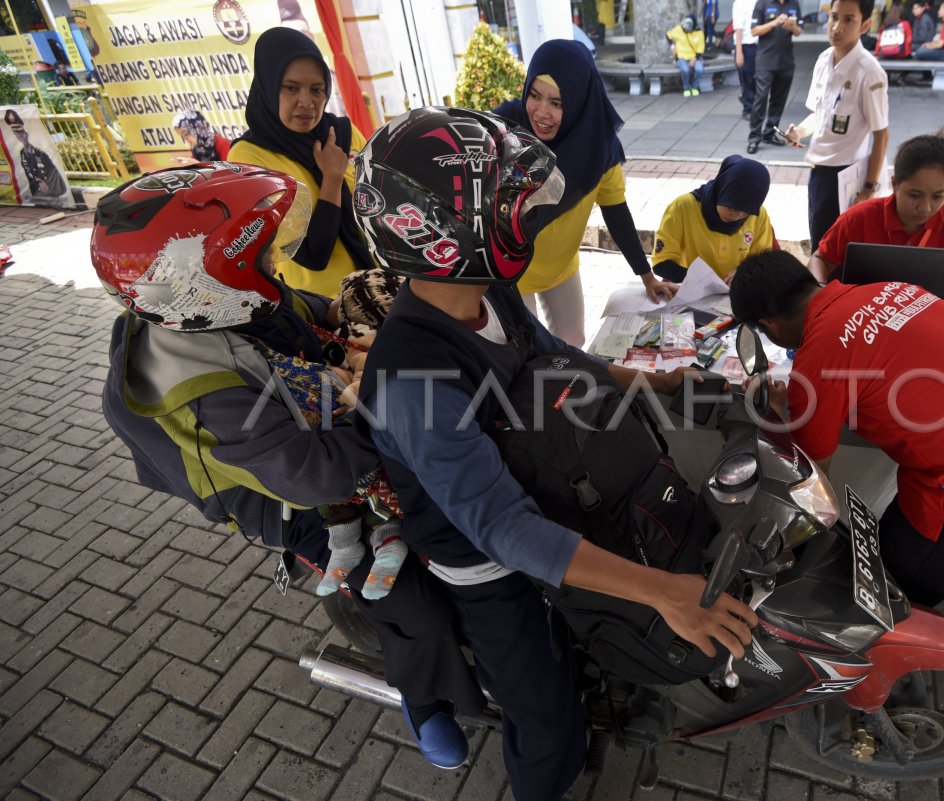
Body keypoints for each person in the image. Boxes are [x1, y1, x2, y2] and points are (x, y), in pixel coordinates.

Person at [352, 106, 757, 800]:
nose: (526, 221)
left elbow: (557, 359)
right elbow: (503, 529)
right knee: (547, 715)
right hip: (483, 559)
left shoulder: (488, 291)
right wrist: (664, 594)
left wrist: (662, 385)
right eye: (507, 210)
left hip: (546, 485)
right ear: (447, 234)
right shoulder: (413, 380)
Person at [93, 163, 483, 768]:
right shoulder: (200, 387)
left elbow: (311, 308)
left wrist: (369, 330)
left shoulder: (221, 301)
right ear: (204, 281)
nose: (275, 261)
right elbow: (318, 475)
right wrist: (390, 403)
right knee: (411, 600)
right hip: (281, 493)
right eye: (263, 254)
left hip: (317, 417)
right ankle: (425, 699)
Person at [729, 251, 944, 606]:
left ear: (769, 326)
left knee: (879, 601)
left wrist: (780, 415)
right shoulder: (895, 290)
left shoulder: (820, 358)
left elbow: (811, 484)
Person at [494, 39, 678, 347]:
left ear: (580, 101)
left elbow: (616, 212)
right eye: (535, 96)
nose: (542, 113)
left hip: (561, 268)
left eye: (558, 103)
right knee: (529, 356)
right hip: (509, 274)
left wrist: (647, 277)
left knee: (572, 344)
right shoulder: (501, 129)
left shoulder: (598, 146)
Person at [228, 26, 375, 299]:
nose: (307, 102)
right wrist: (332, 178)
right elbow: (312, 254)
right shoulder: (249, 157)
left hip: (382, 286)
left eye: (317, 89)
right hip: (328, 307)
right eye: (291, 88)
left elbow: (383, 207)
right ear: (269, 86)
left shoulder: (344, 133)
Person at [808, 132, 944, 283]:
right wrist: (820, 290)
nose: (925, 208)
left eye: (938, 196)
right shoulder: (860, 217)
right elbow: (820, 258)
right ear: (894, 184)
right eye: (914, 195)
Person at [786, 0, 889, 253]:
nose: (837, 27)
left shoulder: (869, 72)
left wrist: (869, 188)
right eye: (833, 17)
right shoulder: (823, 60)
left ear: (865, 25)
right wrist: (799, 131)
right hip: (819, 171)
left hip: (846, 176)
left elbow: (881, 135)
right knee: (819, 240)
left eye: (848, 20)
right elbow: (820, 115)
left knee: (839, 250)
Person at [652, 154, 778, 284]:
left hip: (735, 292)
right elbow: (662, 263)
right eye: (732, 209)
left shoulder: (758, 215)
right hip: (690, 290)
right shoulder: (683, 207)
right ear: (721, 190)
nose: (737, 217)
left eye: (746, 213)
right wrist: (702, 282)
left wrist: (743, 272)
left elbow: (762, 260)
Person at [747, 0, 803, 154]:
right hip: (765, 60)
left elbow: (799, 32)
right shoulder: (762, 3)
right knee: (761, 97)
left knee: (779, 100)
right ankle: (754, 138)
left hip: (786, 61)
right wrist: (774, 23)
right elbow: (754, 31)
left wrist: (792, 27)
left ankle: (769, 133)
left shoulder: (794, 4)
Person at [4, 109, 67, 201]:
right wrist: (38, 183)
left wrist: (47, 185)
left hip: (50, 191)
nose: (21, 136)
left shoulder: (40, 154)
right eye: (17, 133)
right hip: (36, 192)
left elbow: (53, 174)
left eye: (22, 132)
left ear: (27, 134)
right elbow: (29, 174)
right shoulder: (22, 153)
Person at [666, 14, 706, 96]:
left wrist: (694, 60)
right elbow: (668, 35)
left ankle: (694, 87)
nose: (685, 30)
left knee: (700, 69)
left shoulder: (699, 33)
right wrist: (672, 47)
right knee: (685, 70)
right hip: (681, 57)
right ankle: (686, 87)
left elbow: (700, 49)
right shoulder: (679, 29)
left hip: (694, 57)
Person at [732, 0, 760, 120]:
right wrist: (739, 52)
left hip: (762, 46)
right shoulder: (740, 3)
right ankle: (748, 109)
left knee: (758, 80)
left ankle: (752, 104)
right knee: (747, 79)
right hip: (746, 45)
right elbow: (738, 28)